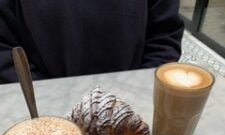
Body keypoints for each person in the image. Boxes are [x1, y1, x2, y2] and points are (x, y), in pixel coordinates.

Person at [0, 0, 184, 83]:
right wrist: (46, 95)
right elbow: (5, 50)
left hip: (132, 104)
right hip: (43, 110)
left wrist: (138, 89)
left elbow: (164, 36)